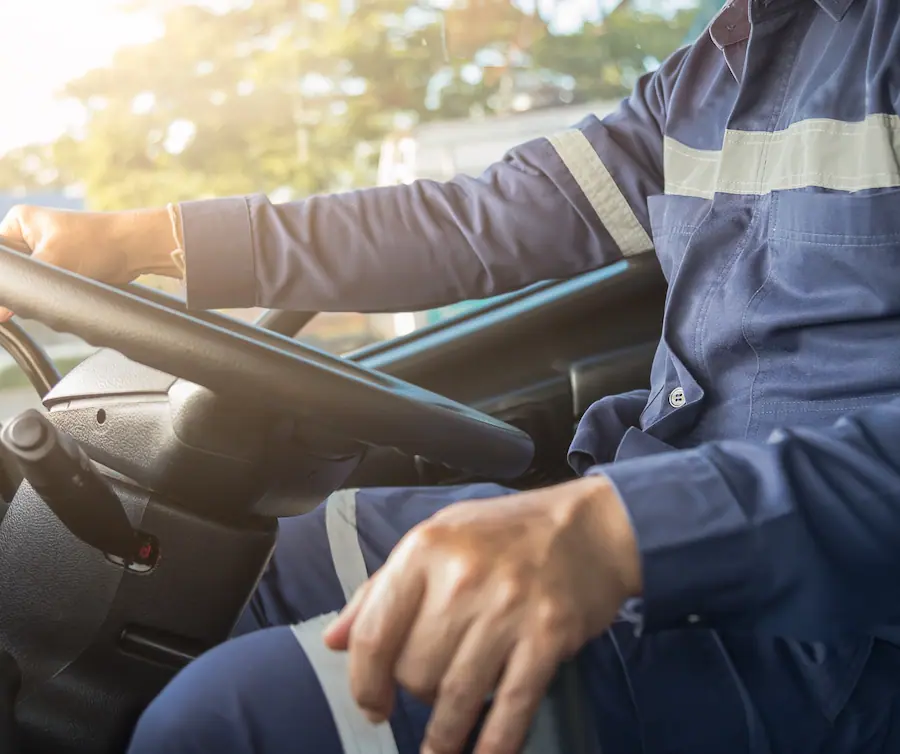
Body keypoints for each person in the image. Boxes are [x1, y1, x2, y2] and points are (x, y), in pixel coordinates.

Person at [4, 0, 900, 751]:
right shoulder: (710, 77)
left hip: (828, 617)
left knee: (230, 718)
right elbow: (476, 221)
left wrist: (624, 530)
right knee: (250, 565)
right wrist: (144, 241)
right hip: (649, 508)